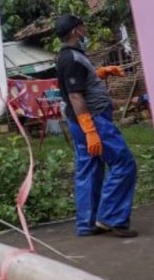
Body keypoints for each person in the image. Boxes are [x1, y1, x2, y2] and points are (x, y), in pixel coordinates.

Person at [55, 14, 138, 238]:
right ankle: (111, 217)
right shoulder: (71, 58)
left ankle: (87, 223)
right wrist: (91, 130)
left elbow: (80, 84)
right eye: (82, 27)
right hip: (93, 120)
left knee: (89, 169)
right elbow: (75, 96)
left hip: (80, 122)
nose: (85, 30)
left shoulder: (70, 56)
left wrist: (101, 73)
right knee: (124, 163)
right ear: (75, 31)